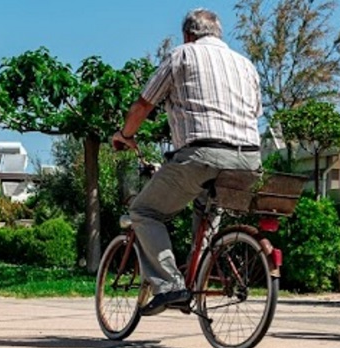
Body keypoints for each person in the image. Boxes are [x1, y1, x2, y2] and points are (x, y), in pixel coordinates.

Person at [111, 8, 262, 317]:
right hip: (249, 160)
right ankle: (201, 273)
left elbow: (144, 103)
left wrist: (125, 134)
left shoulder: (182, 55)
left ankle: (170, 285)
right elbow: (255, 113)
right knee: (209, 209)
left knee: (144, 211)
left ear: (188, 35)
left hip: (201, 154)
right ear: (219, 34)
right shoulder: (246, 65)